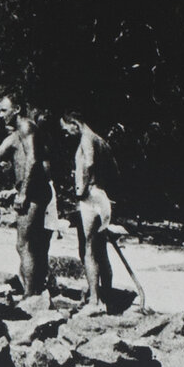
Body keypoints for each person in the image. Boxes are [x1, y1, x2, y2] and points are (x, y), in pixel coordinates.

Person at [0, 93, 54, 297]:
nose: (0, 115)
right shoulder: (18, 132)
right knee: (30, 244)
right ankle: (32, 290)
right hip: (32, 190)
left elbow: (33, 160)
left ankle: (30, 294)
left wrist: (23, 193)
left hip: (34, 191)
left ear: (16, 109)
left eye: (3, 110)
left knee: (23, 243)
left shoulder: (27, 126)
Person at [60, 113, 118, 315]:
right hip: (101, 195)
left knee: (88, 250)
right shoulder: (101, 140)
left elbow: (89, 162)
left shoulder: (86, 138)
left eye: (66, 128)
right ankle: (107, 296)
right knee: (100, 249)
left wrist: (81, 189)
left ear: (75, 123)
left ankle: (95, 301)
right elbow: (113, 169)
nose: (65, 133)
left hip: (91, 196)